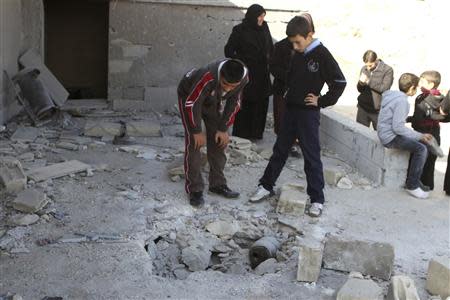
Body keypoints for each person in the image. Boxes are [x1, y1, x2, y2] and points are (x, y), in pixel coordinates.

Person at [249, 15, 347, 217]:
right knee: (280, 150)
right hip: (290, 110)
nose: (294, 46)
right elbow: (291, 76)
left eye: (297, 42)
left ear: (309, 35)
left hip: (308, 115)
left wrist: (321, 101)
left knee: (311, 156)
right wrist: (288, 93)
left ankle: (317, 199)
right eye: (292, 42)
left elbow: (340, 82)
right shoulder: (297, 52)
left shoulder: (322, 55)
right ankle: (266, 186)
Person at [177, 59, 249, 207]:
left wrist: (223, 129)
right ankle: (195, 189)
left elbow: (234, 102)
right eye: (225, 84)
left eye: (232, 86)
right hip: (189, 96)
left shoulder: (244, 77)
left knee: (218, 140)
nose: (228, 89)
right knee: (194, 144)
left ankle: (217, 184)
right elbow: (192, 103)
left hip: (212, 97)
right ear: (220, 75)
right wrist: (196, 131)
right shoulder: (208, 76)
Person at [377, 73, 433, 199]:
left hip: (384, 132)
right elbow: (398, 128)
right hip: (390, 138)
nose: (417, 90)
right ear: (411, 88)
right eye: (416, 88)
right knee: (421, 149)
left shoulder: (392, 95)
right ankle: (412, 185)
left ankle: (416, 180)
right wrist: (420, 135)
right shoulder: (402, 102)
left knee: (421, 145)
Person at [224, 4, 273, 140]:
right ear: (252, 16)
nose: (262, 19)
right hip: (247, 73)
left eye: (263, 16)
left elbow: (270, 46)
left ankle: (257, 134)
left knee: (261, 103)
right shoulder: (239, 30)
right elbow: (228, 51)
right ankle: (242, 135)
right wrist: (242, 61)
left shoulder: (264, 28)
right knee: (245, 103)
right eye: (259, 16)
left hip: (262, 74)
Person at [407, 71, 443, 190]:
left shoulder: (437, 98)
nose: (419, 83)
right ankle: (414, 183)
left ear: (431, 84)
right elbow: (418, 115)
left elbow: (442, 114)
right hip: (419, 131)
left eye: (422, 81)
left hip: (430, 133)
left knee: (428, 161)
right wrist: (408, 119)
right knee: (417, 158)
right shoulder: (421, 96)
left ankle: (425, 186)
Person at [356, 50, 394, 130]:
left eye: (370, 65)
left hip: (378, 111)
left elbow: (385, 88)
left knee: (379, 137)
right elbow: (360, 90)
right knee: (360, 134)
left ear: (376, 60)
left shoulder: (387, 70)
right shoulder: (364, 68)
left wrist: (368, 81)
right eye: (366, 65)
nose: (368, 68)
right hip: (363, 108)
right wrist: (361, 84)